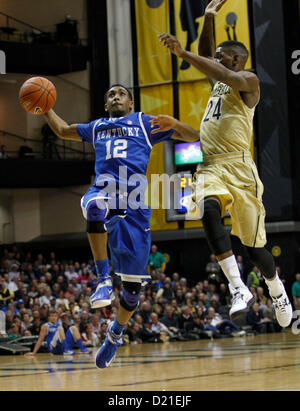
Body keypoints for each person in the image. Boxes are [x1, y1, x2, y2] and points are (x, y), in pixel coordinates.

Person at [39, 84, 198, 368]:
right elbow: (63, 130)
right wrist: (43, 106)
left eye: (120, 94)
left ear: (131, 102)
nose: (115, 96)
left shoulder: (145, 122)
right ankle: (102, 280)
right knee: (95, 207)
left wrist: (176, 124)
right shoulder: (97, 126)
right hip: (106, 187)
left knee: (132, 292)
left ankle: (115, 334)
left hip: (135, 200)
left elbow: (193, 136)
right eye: (110, 94)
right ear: (105, 104)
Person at [157, 0, 292, 328]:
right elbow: (209, 62)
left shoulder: (249, 81)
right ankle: (238, 288)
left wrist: (184, 54)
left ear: (234, 59)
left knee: (256, 250)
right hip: (212, 166)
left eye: (219, 57)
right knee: (207, 208)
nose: (213, 61)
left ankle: (276, 290)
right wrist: (208, 17)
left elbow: (212, 66)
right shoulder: (219, 80)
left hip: (241, 169)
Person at [24, 309, 91, 356]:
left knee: (73, 328)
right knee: (60, 328)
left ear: (57, 317)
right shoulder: (45, 326)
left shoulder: (59, 324)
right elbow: (40, 340)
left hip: (62, 345)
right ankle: (66, 350)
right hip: (53, 348)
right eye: (52, 316)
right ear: (49, 317)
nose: (54, 318)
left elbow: (62, 336)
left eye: (55, 316)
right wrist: (33, 352)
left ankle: (82, 348)